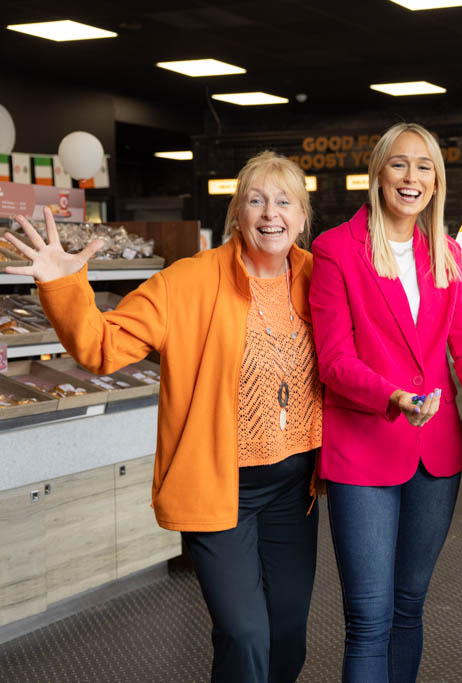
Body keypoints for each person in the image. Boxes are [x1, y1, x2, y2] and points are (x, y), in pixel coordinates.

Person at [3, 152, 322, 683]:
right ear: (236, 214)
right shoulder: (187, 282)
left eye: (285, 201)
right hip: (220, 491)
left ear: (303, 216)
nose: (271, 214)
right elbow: (101, 347)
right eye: (256, 200)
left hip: (295, 490)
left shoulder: (318, 279)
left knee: (287, 638)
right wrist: (64, 286)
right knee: (245, 635)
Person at [309, 122, 462, 682]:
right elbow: (333, 359)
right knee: (370, 617)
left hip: (435, 453)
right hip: (364, 450)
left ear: (437, 180)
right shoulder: (335, 250)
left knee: (408, 607)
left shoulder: (445, 252)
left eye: (424, 167)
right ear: (378, 173)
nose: (412, 177)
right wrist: (394, 396)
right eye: (400, 164)